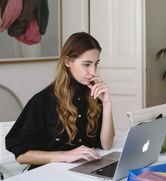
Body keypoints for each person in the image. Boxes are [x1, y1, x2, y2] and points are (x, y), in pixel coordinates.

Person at [5, 32, 115, 170]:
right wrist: (65, 155)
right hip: (48, 176)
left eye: (95, 64)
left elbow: (106, 145)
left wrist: (107, 103)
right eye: (86, 64)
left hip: (84, 171)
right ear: (68, 61)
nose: (93, 72)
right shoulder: (43, 101)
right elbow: (21, 156)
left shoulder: (93, 95)